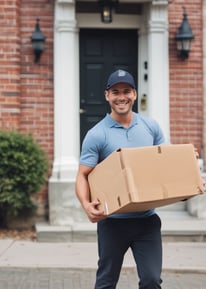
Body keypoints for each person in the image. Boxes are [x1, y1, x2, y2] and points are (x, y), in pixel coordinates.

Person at [75, 69, 165, 289]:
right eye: (116, 92)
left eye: (126, 91)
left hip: (147, 221)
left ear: (134, 94)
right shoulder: (97, 134)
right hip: (112, 223)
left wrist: (187, 176)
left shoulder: (150, 127)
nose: (121, 97)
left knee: (152, 281)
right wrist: (87, 205)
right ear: (107, 95)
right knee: (106, 282)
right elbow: (82, 176)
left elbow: (166, 166)